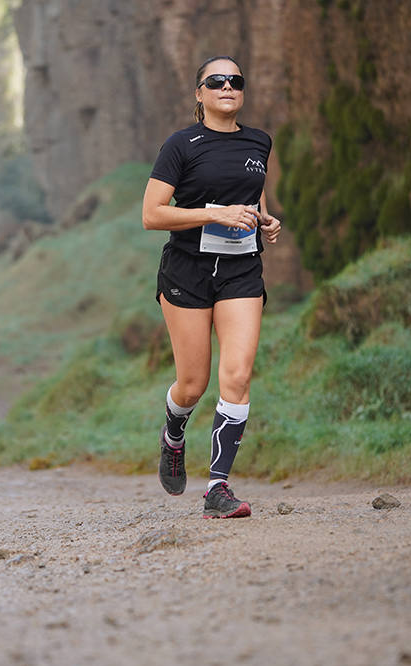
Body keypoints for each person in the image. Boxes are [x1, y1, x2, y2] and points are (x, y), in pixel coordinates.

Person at [141, 56, 282, 519]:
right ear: (199, 94)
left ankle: (217, 488)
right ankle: (174, 432)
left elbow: (252, 192)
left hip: (241, 270)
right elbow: (152, 214)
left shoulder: (259, 141)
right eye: (216, 81)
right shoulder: (181, 145)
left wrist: (263, 218)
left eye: (235, 81)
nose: (227, 87)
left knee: (237, 375)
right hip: (187, 271)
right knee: (193, 382)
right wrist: (214, 212)